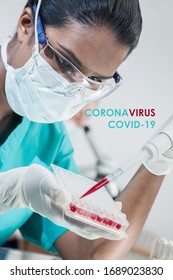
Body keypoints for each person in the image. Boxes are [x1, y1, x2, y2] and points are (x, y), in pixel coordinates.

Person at [0, 0, 173, 260]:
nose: (71, 89)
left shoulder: (50, 139)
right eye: (65, 63)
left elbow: (90, 256)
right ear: (27, 26)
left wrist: (161, 157)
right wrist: (14, 189)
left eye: (94, 80)